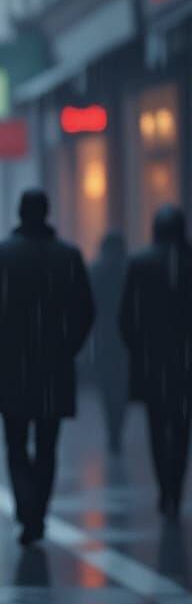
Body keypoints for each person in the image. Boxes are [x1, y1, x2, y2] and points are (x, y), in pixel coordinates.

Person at [0, 190, 93, 545]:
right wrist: (67, 347)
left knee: (15, 442)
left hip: (11, 363)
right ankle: (38, 509)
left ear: (19, 213)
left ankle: (27, 505)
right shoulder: (68, 257)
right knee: (47, 443)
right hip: (52, 363)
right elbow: (85, 310)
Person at [119, 205, 192, 521]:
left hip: (152, 361)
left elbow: (125, 317)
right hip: (186, 361)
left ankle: (165, 488)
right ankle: (176, 486)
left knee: (157, 425)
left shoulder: (140, 262)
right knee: (181, 427)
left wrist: (139, 347)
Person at [89, 231, 129, 454]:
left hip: (104, 337)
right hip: (125, 338)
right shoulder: (129, 269)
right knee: (121, 385)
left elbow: (88, 307)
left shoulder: (97, 270)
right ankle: (117, 428)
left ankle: (112, 430)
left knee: (106, 386)